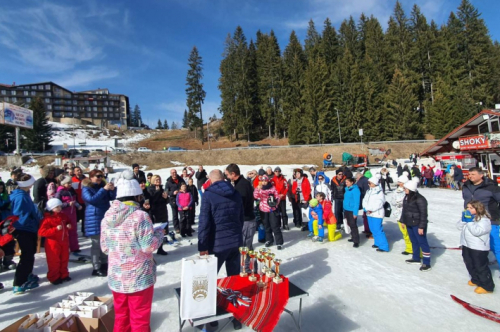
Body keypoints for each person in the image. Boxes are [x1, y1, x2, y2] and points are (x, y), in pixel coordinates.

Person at [101, 170, 164, 332]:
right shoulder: (140, 216)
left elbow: (105, 247)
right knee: (139, 318)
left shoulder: (108, 216)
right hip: (139, 278)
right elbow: (148, 246)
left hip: (117, 277)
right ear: (137, 197)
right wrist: (159, 234)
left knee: (121, 317)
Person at [198, 169, 244, 274]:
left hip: (217, 244)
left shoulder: (208, 195)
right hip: (235, 240)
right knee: (234, 275)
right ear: (223, 178)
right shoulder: (235, 193)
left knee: (210, 276)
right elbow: (241, 217)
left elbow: (204, 223)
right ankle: (233, 290)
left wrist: (203, 246)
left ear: (210, 180)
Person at [462, 167, 500, 270]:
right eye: (469, 174)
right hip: (472, 221)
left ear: (481, 175)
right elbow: (466, 201)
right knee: (476, 246)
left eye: (473, 174)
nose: (470, 176)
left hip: (490, 220)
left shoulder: (491, 187)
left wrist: (496, 214)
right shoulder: (466, 186)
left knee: (496, 246)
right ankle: (481, 267)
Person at [10, 173, 42, 294]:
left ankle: (27, 274)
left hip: (29, 228)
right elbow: (18, 214)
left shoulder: (24, 194)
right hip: (24, 229)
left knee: (30, 253)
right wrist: (31, 220)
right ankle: (19, 283)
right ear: (26, 184)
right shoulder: (20, 196)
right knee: (27, 255)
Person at [82, 169, 116, 277]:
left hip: (104, 216)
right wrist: (103, 190)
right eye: (97, 176)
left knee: (105, 242)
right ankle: (96, 267)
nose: (100, 178)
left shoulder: (101, 187)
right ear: (91, 177)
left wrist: (112, 189)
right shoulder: (86, 188)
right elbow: (92, 200)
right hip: (94, 217)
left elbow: (112, 197)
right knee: (96, 244)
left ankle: (104, 264)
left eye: (101, 176)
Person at [458, 200, 495, 294]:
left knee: (480, 266)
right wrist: (463, 220)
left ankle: (487, 286)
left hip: (478, 247)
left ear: (478, 208)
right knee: (469, 263)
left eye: (471, 208)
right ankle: (476, 279)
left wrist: (469, 222)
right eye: (467, 207)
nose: (468, 209)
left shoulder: (484, 219)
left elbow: (477, 232)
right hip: (467, 245)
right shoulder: (469, 217)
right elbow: (458, 227)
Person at [225, 164, 256, 271]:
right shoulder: (241, 183)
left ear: (233, 174)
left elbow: (241, 205)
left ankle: (247, 270)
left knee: (245, 247)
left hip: (246, 220)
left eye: (228, 175)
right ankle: (251, 268)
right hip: (245, 220)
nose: (227, 178)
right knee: (247, 247)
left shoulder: (242, 185)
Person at [38, 198, 71, 285]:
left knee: (64, 258)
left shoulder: (63, 216)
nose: (59, 208)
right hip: (52, 243)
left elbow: (69, 221)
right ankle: (54, 277)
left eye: (60, 206)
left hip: (64, 241)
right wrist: (55, 229)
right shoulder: (47, 219)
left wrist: (69, 225)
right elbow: (42, 232)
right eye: (57, 207)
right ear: (51, 208)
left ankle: (64, 274)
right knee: (54, 260)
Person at [401, 179, 431, 271]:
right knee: (413, 241)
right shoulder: (406, 197)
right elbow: (404, 210)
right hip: (409, 223)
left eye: (405, 188)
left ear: (411, 189)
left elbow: (423, 214)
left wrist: (421, 227)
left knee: (422, 242)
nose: (404, 190)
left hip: (417, 224)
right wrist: (403, 220)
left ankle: (426, 263)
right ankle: (416, 258)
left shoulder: (420, 199)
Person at [254, 175, 284, 249]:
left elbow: (277, 196)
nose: (264, 182)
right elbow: (255, 196)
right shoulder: (259, 188)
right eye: (263, 181)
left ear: (268, 181)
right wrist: (257, 189)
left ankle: (279, 242)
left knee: (275, 226)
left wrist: (276, 202)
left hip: (272, 209)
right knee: (266, 226)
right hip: (263, 209)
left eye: (265, 181)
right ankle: (269, 240)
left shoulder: (272, 188)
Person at [55, 175, 82, 253]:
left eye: (70, 183)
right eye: (68, 183)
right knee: (65, 231)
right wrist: (67, 204)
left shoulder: (71, 190)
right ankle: (64, 248)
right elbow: (57, 204)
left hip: (72, 213)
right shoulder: (60, 192)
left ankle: (74, 247)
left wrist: (78, 205)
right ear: (63, 184)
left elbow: (74, 200)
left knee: (73, 230)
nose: (70, 184)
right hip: (64, 213)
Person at [362, 175, 389, 252]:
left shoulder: (379, 192)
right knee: (372, 229)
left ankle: (384, 246)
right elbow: (365, 200)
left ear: (374, 183)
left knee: (378, 229)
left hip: (377, 213)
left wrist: (371, 209)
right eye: (368, 183)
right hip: (369, 213)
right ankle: (377, 242)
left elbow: (379, 203)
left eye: (370, 183)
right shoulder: (369, 191)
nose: (368, 184)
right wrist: (365, 208)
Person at [391, 175, 413, 255]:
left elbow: (409, 202)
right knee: (404, 233)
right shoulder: (396, 191)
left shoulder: (409, 190)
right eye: (399, 182)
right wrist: (397, 203)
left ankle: (414, 248)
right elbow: (392, 201)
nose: (398, 183)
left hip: (407, 215)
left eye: (400, 182)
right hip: (399, 214)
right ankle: (409, 248)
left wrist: (401, 203)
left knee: (410, 233)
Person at [147, 175, 169, 255]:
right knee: (154, 231)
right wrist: (157, 192)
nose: (158, 181)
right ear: (152, 181)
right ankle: (151, 249)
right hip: (154, 212)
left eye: (159, 179)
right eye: (156, 180)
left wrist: (166, 197)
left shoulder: (162, 189)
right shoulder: (150, 189)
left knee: (162, 231)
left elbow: (166, 201)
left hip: (163, 212)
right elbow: (152, 201)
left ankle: (160, 248)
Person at [0, 180, 15, 270]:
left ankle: (8, 260)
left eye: (2, 188)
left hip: (6, 221)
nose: (0, 190)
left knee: (9, 241)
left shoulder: (5, 196)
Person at [165, 169, 186, 233]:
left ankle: (184, 227)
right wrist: (172, 193)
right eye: (173, 173)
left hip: (181, 199)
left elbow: (185, 186)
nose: (174, 174)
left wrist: (182, 190)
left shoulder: (181, 179)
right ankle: (177, 228)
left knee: (183, 214)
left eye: (175, 172)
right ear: (171, 174)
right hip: (173, 199)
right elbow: (166, 192)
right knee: (175, 214)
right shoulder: (168, 182)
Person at [343, 177, 361, 248]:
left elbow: (357, 202)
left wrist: (355, 213)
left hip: (352, 210)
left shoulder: (356, 190)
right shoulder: (347, 189)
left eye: (347, 182)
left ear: (352, 182)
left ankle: (356, 241)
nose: (346, 183)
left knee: (353, 225)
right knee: (349, 224)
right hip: (346, 209)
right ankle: (353, 237)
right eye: (345, 182)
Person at [71, 166, 87, 234]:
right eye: (77, 170)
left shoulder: (86, 179)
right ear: (74, 172)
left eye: (80, 170)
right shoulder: (72, 179)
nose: (79, 171)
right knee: (75, 218)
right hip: (76, 201)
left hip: (84, 200)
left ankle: (84, 231)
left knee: (84, 217)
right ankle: (74, 232)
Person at [356, 172, 371, 237]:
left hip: (365, 200)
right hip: (368, 200)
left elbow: (359, 191)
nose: (356, 179)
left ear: (358, 177)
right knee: (366, 216)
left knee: (366, 216)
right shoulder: (367, 180)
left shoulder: (360, 181)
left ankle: (368, 231)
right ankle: (367, 230)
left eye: (356, 178)